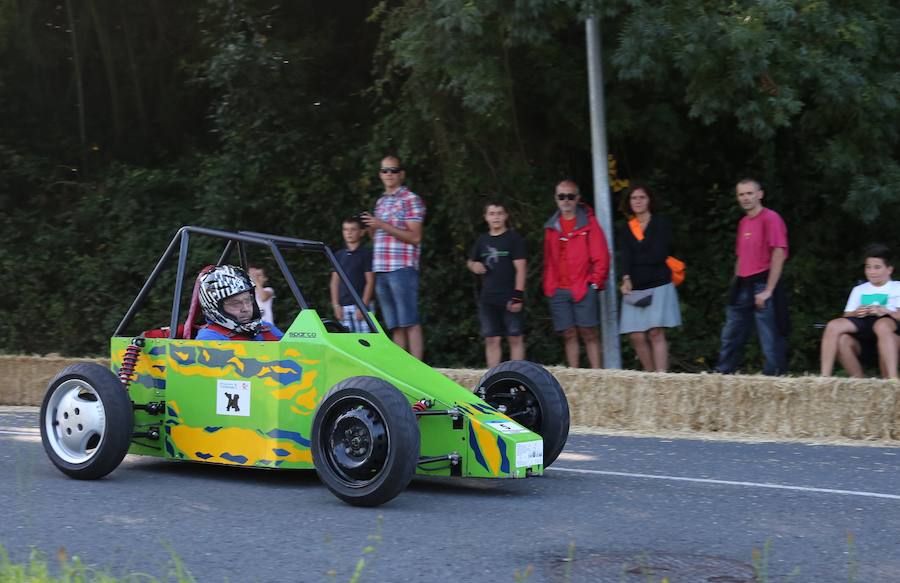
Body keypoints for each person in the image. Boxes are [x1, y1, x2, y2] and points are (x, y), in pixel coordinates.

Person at [714, 178, 789, 375]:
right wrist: (735, 283)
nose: (745, 198)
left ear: (760, 194)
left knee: (769, 337)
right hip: (742, 284)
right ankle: (722, 377)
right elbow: (740, 256)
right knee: (730, 335)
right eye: (741, 194)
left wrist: (769, 290)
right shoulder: (744, 222)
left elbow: (779, 253)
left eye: (749, 193)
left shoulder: (771, 218)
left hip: (762, 283)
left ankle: (775, 380)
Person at [361, 155, 426, 359]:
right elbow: (378, 237)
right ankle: (403, 371)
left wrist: (380, 224)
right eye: (384, 170)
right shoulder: (380, 201)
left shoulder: (411, 199)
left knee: (410, 322)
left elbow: (415, 237)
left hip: (402, 267)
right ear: (380, 174)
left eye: (393, 170)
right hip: (381, 268)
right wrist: (371, 229)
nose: (389, 174)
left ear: (402, 174)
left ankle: (419, 370)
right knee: (395, 325)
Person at [542, 179, 610, 368]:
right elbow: (548, 260)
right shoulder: (551, 227)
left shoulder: (589, 224)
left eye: (570, 196)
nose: (566, 200)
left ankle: (598, 376)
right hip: (558, 290)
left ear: (578, 198)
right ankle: (575, 375)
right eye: (561, 196)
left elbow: (602, 257)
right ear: (556, 199)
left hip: (583, 287)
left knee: (589, 332)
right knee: (568, 333)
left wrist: (594, 284)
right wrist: (549, 286)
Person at [617, 185, 682, 372]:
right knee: (636, 335)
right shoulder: (626, 228)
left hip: (659, 283)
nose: (637, 201)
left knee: (655, 332)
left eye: (641, 197)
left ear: (649, 200)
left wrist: (638, 259)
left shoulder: (661, 224)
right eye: (633, 198)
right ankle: (649, 376)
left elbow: (660, 254)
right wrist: (626, 277)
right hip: (635, 285)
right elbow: (626, 256)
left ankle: (661, 378)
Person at [820, 244, 900, 379]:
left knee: (882, 325)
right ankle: (825, 379)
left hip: (891, 335)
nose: (872, 272)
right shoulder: (859, 290)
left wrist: (885, 311)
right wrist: (857, 312)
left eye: (877, 267)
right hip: (864, 333)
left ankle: (892, 379)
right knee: (835, 329)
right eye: (868, 267)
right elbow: (846, 317)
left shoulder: (897, 287)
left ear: (889, 269)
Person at [467, 201, 527, 367]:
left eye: (500, 213)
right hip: (488, 298)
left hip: (510, 295)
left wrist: (518, 296)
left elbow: (521, 268)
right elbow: (471, 261)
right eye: (492, 213)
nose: (496, 217)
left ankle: (517, 375)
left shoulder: (514, 239)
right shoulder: (482, 240)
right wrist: (474, 266)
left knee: (515, 337)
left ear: (506, 216)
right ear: (486, 217)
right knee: (492, 338)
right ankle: (493, 377)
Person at [195, 265, 283, 341]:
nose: (246, 309)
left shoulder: (266, 328)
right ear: (215, 307)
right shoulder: (209, 338)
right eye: (235, 303)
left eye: (248, 300)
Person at [330, 217, 375, 333]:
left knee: (367, 341)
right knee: (348, 342)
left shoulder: (366, 254)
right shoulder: (339, 255)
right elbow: (334, 282)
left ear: (361, 232)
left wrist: (363, 306)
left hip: (361, 305)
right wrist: (336, 305)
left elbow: (370, 281)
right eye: (345, 229)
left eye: (353, 229)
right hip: (343, 306)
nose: (348, 233)